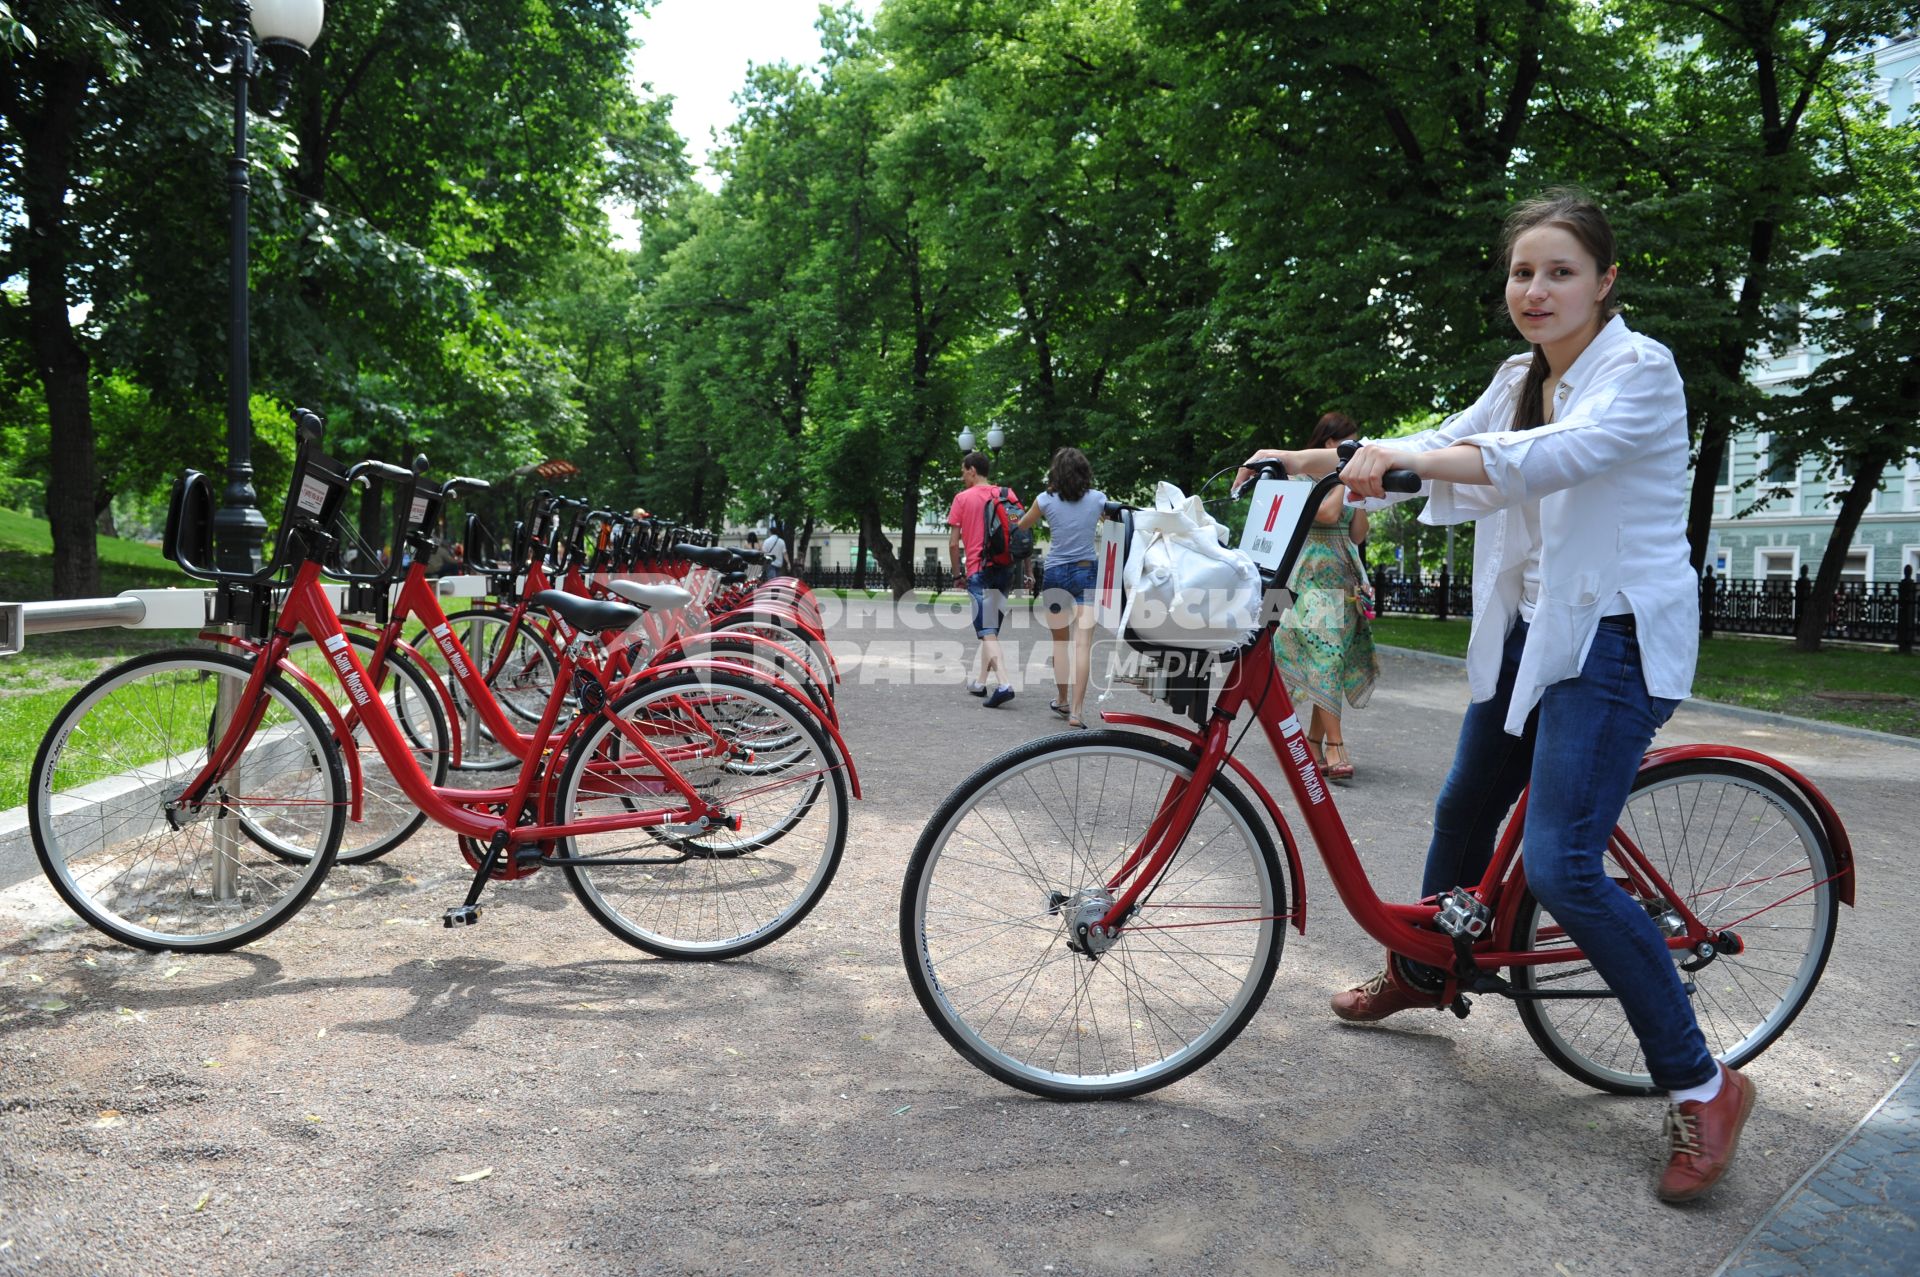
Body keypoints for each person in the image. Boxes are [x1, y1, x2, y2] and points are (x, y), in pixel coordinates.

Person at [1238, 191, 1741, 1203]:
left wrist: (1404, 459)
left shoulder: (1639, 372)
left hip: (1614, 636)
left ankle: (1703, 1079)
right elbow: (1449, 445)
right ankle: (1427, 968)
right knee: (1465, 802)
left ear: (1605, 281)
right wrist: (1316, 460)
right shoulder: (1519, 374)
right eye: (1522, 271)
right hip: (1532, 628)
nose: (1536, 289)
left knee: (1561, 861)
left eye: (1559, 270)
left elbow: (1548, 460)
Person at [1269, 411, 1379, 781]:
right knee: (1327, 656)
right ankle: (1336, 746)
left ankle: (1314, 743)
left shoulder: (1344, 483)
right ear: (1331, 444)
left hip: (1344, 579)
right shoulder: (1301, 478)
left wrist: (1361, 500)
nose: (1357, 444)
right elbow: (1330, 515)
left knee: (1329, 660)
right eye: (1350, 440)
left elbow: (1357, 534)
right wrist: (1340, 479)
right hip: (1308, 580)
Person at [1015, 447, 1105, 728]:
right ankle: (1077, 712)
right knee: (1083, 645)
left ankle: (1062, 699)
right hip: (1087, 572)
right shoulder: (1098, 500)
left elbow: (1022, 525)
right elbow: (1113, 524)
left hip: (1055, 574)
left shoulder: (1045, 500)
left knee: (1060, 643)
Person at [947, 450, 1017, 708]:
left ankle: (1005, 683)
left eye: (964, 471)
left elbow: (954, 544)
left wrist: (957, 574)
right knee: (992, 630)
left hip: (979, 570)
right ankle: (979, 682)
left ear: (972, 470)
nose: (962, 476)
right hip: (1005, 568)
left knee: (987, 632)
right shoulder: (1007, 494)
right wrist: (1027, 570)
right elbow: (1019, 532)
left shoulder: (962, 499)